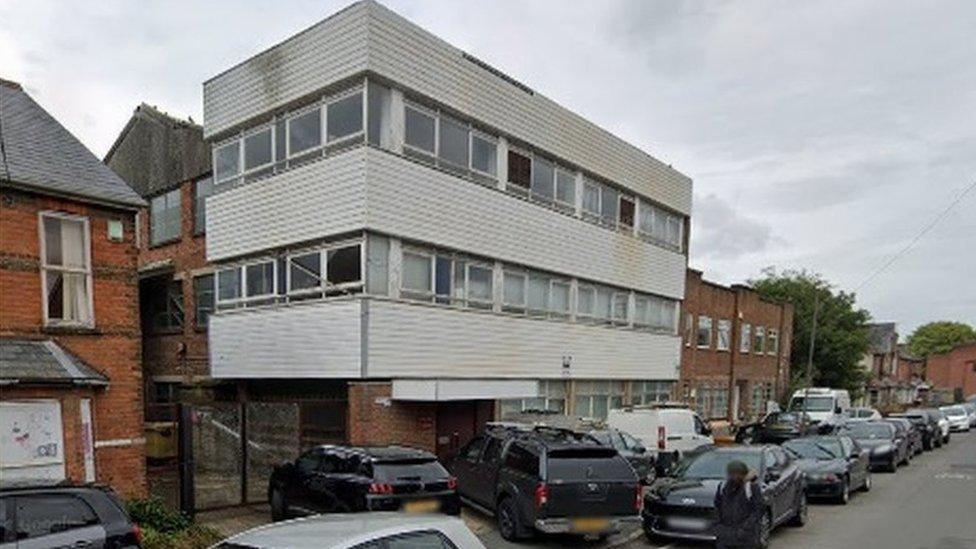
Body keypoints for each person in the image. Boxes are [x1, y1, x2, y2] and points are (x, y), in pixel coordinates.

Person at [713, 460, 765, 548]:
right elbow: (717, 508)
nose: (735, 476)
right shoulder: (723, 487)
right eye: (732, 473)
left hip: (746, 540)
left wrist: (744, 529)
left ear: (743, 474)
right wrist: (719, 528)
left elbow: (758, 510)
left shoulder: (751, 487)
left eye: (738, 473)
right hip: (725, 539)